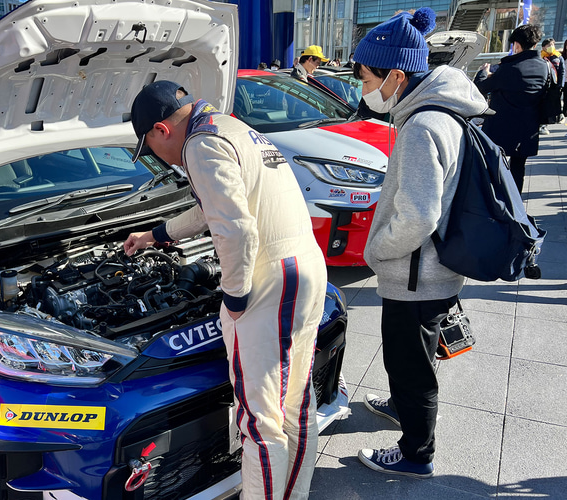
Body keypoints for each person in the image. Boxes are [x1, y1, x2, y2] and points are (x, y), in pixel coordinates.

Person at [124, 80, 327, 499]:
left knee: (260, 422)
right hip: (305, 266)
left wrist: (234, 299)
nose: (158, 158)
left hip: (271, 281)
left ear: (161, 130)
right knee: (295, 405)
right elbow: (215, 207)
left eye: (151, 148)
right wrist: (156, 234)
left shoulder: (199, 145)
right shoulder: (230, 128)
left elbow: (236, 231)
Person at [351, 7, 488, 478]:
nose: (365, 88)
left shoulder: (422, 126)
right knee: (415, 358)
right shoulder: (444, 110)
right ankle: (402, 406)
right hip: (434, 268)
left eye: (367, 78)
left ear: (396, 75)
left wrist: (376, 251)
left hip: (415, 275)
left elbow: (417, 215)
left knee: (411, 365)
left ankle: (415, 454)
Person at [474, 24, 549, 194]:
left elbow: (481, 87)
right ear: (535, 44)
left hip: (501, 127)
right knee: (518, 168)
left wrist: (483, 72)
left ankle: (495, 201)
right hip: (528, 128)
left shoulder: (509, 68)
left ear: (517, 45)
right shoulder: (544, 67)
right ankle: (516, 203)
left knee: (492, 164)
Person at [539, 37, 565, 134]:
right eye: (549, 45)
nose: (551, 47)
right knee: (543, 105)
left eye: (552, 45)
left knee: (553, 105)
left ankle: (551, 121)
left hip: (554, 86)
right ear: (543, 47)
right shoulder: (540, 57)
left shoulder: (558, 57)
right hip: (543, 86)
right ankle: (542, 124)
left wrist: (561, 85)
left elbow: (562, 71)